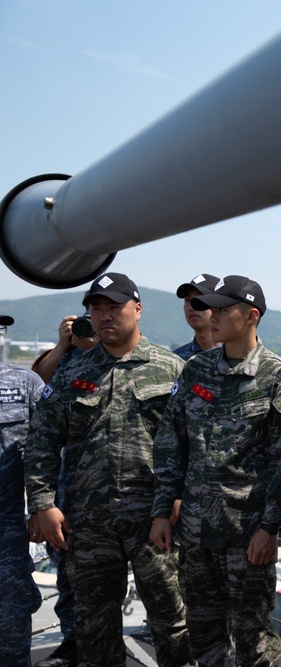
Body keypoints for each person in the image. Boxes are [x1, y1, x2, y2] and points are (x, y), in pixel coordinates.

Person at [23, 273, 193, 667]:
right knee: (94, 629)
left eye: (114, 307)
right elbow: (42, 440)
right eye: (96, 308)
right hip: (89, 523)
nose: (104, 316)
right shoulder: (72, 373)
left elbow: (195, 442)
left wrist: (182, 497)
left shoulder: (172, 369)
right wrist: (43, 503)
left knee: (174, 624)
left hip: (157, 521)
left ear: (138, 309)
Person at [151, 275, 281, 667]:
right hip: (195, 534)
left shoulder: (277, 376)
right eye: (210, 308)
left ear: (251, 316)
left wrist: (270, 527)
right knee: (203, 636)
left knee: (254, 642)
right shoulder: (196, 370)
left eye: (222, 309)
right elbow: (170, 443)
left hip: (246, 537)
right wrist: (162, 510)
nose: (212, 315)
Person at [29, 315, 94, 667]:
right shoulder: (66, 358)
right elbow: (40, 382)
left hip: (122, 499)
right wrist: (63, 345)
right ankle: (72, 644)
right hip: (70, 494)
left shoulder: (121, 357)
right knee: (68, 575)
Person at [0, 314, 44, 667]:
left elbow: (48, 448)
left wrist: (43, 507)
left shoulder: (25, 384)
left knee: (12, 634)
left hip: (8, 531)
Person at [31, 314, 98, 383]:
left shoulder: (105, 348)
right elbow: (38, 380)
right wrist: (62, 345)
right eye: (96, 309)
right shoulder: (72, 348)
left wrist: (100, 349)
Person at [172, 273, 221, 361]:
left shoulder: (237, 355)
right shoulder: (176, 360)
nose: (192, 307)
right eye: (188, 300)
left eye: (200, 300)